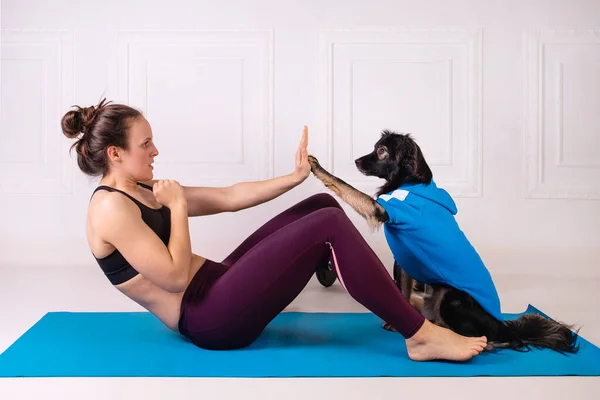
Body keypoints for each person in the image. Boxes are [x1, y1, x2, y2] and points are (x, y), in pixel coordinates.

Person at [61, 99, 487, 362]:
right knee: (328, 225)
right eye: (146, 144)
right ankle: (420, 335)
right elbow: (172, 275)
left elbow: (228, 196)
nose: (156, 150)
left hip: (216, 285)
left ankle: (344, 266)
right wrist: (175, 207)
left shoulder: (142, 188)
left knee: (321, 205)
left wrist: (295, 177)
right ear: (115, 154)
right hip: (210, 320)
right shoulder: (110, 210)